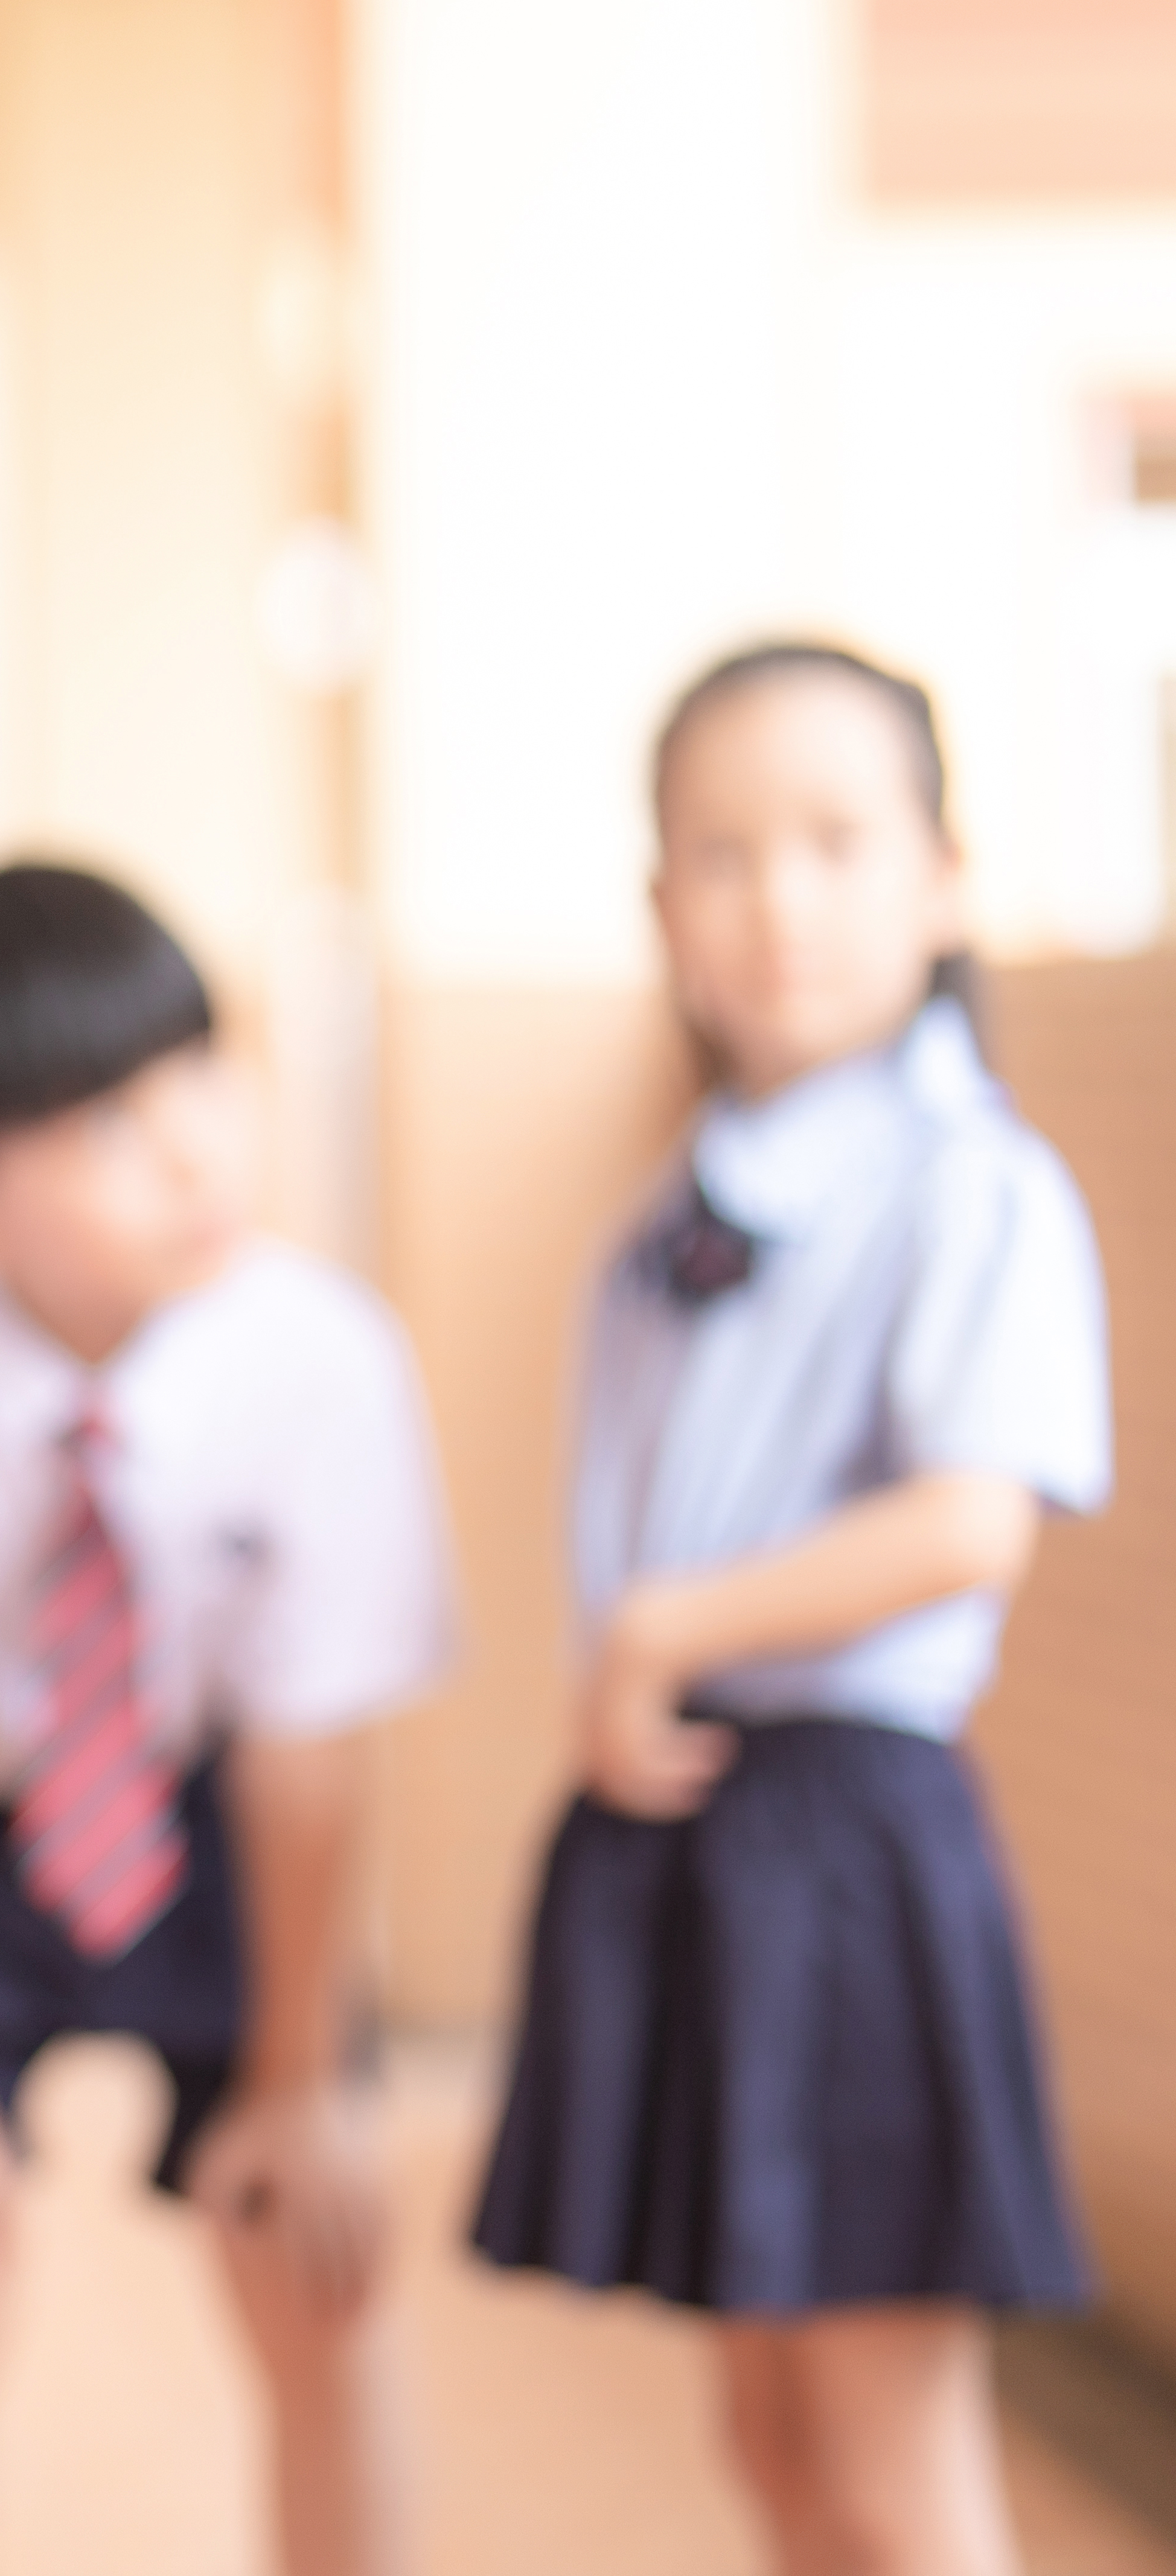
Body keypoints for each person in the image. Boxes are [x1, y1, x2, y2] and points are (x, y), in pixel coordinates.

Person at [471, 643, 1104, 2576]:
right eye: (724, 855)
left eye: (838, 841)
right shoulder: (673, 1201)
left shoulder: (966, 1180)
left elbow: (970, 1522)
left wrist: (660, 1631)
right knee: (766, 2428)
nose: (783, 900)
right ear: (663, 908)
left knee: (892, 2447)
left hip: (847, 1840)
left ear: (945, 876)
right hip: (702, 1829)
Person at [0, 862, 453, 2576]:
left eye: (197, 1074)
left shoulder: (321, 1358)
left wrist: (303, 2080)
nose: (193, 1151)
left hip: (225, 1820)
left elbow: (312, 1750)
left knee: (320, 2267)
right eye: (104, 1123)